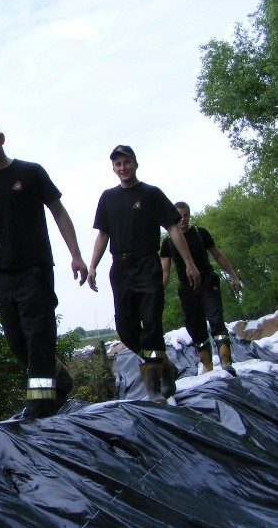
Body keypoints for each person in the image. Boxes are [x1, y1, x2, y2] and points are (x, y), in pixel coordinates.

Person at [0, 119, 88, 419]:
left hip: (34, 268)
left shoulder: (30, 172)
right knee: (17, 341)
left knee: (38, 336)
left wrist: (76, 254)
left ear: (1, 138)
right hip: (2, 272)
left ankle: (40, 404)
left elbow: (58, 211)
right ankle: (59, 379)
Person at [87, 145, 200, 402]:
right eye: (117, 164)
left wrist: (189, 263)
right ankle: (166, 365)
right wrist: (93, 265)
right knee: (125, 328)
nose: (122, 168)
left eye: (126, 162)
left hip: (147, 264)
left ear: (135, 164)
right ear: (113, 168)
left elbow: (173, 229)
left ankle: (153, 387)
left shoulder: (151, 194)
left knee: (151, 324)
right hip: (121, 268)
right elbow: (103, 234)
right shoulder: (108, 197)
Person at [161, 201, 242, 374]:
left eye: (185, 215)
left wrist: (234, 276)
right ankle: (207, 365)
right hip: (187, 289)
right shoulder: (167, 242)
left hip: (207, 283)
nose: (182, 219)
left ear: (189, 215)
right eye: (179, 216)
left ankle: (226, 361)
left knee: (216, 321)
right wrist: (157, 293)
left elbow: (218, 255)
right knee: (195, 328)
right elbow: (165, 271)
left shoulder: (200, 233)